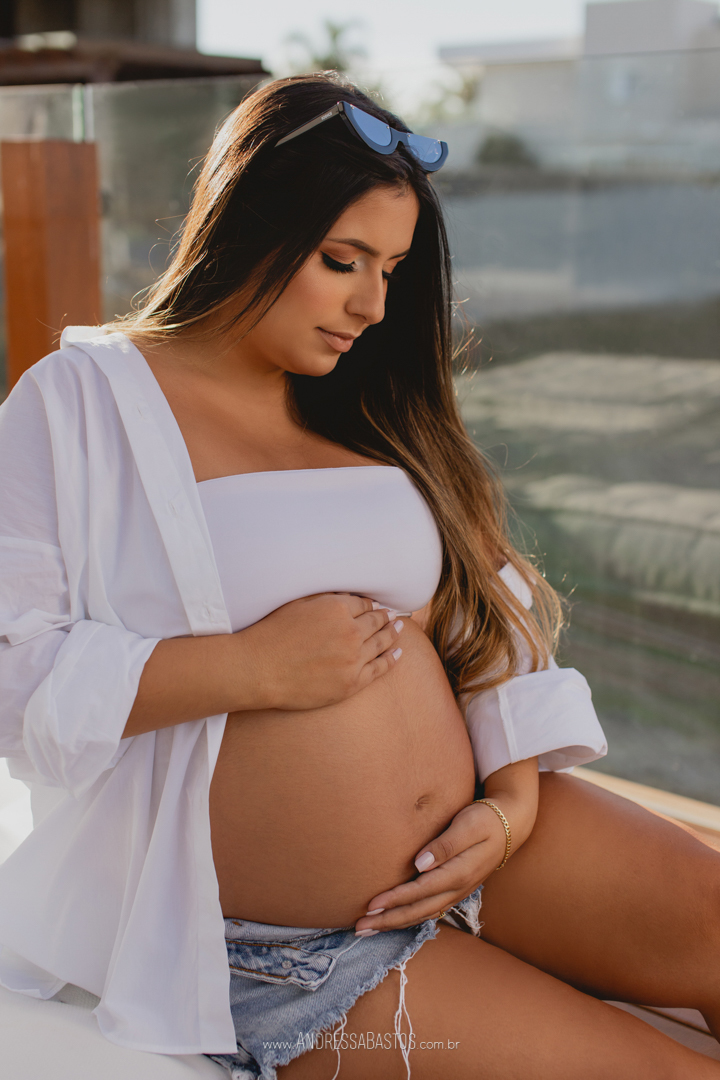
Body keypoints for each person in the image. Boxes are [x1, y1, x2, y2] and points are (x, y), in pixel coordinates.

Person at [0, 72, 718, 1080]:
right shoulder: (78, 403)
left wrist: (508, 803)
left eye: (390, 269)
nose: (373, 306)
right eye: (343, 261)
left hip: (493, 846)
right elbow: (14, 673)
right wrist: (249, 668)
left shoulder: (362, 407)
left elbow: (480, 618)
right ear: (249, 223)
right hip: (295, 946)